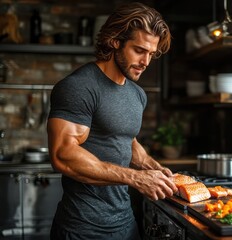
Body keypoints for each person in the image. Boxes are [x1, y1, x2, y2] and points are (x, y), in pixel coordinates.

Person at [47, 3, 177, 239]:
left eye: (151, 54)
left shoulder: (137, 94)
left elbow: (126, 139)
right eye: (139, 50)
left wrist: (153, 168)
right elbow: (62, 154)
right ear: (115, 40)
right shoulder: (79, 87)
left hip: (125, 223)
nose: (146, 61)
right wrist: (136, 178)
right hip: (82, 228)